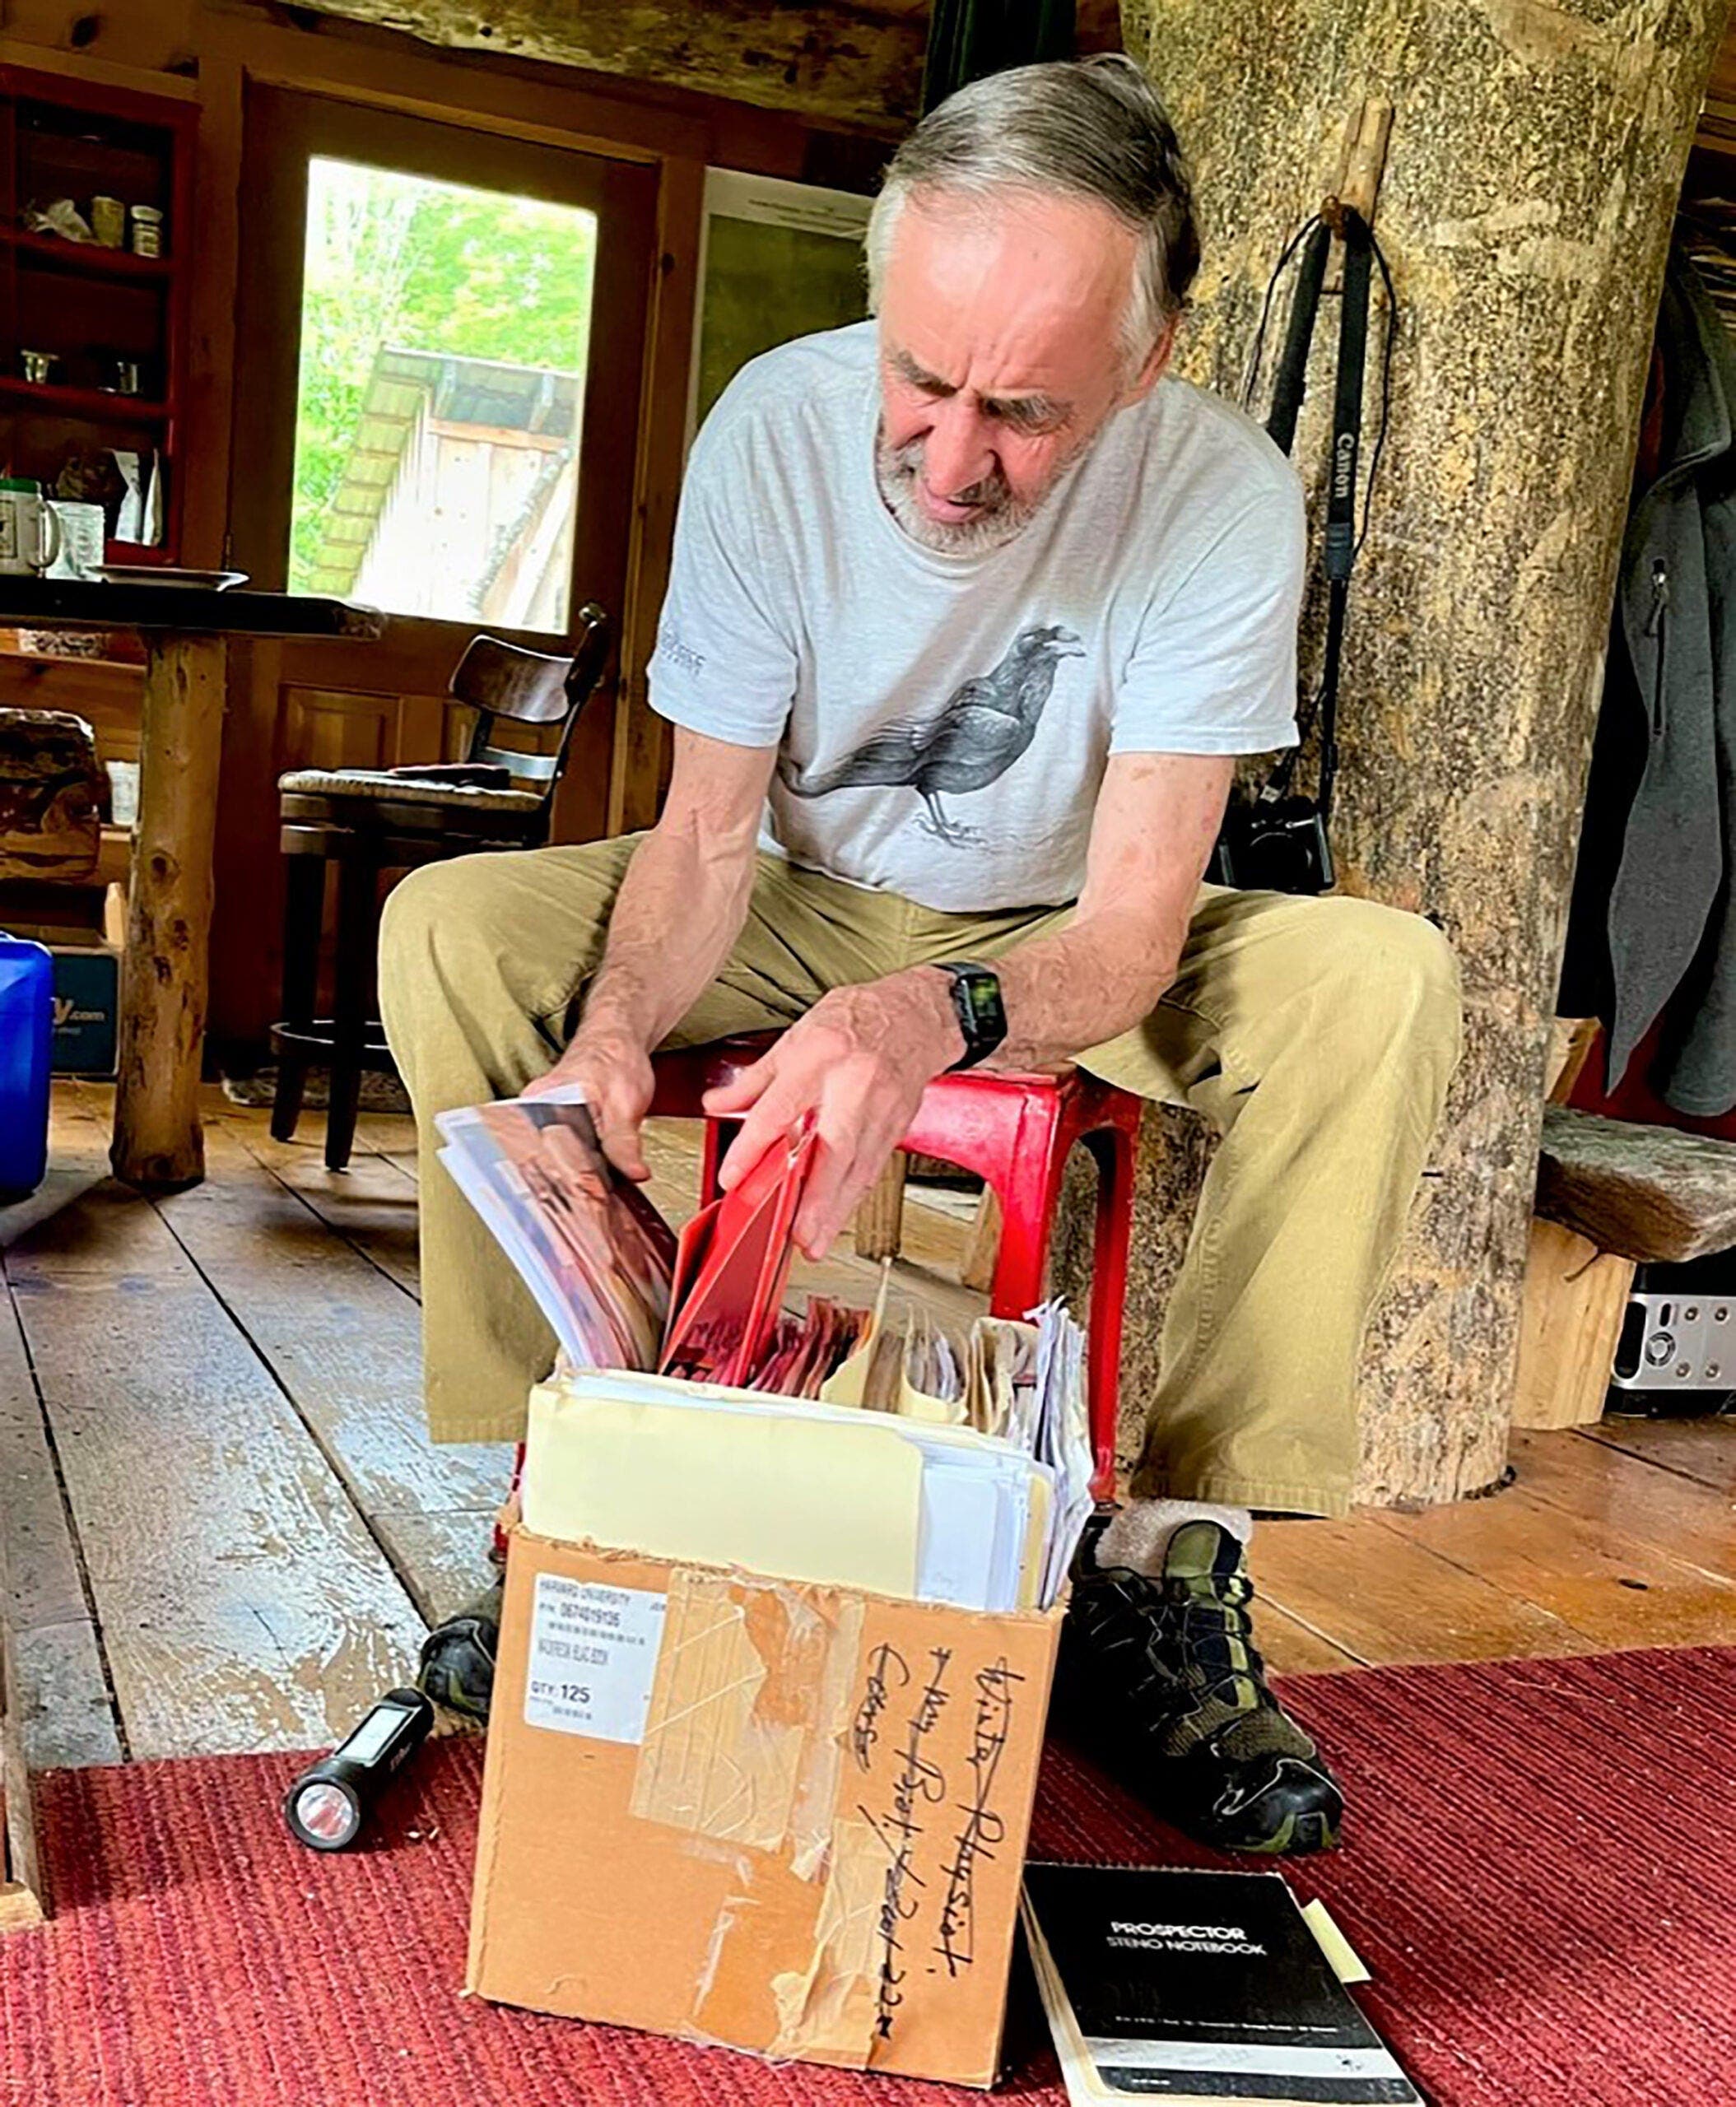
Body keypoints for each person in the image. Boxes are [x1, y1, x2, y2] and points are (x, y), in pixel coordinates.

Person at [381, 53, 1462, 1857]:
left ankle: (1165, 1560)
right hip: (794, 887)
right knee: (449, 932)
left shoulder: (1222, 498)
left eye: (1024, 413)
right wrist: (615, 1031)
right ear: (880, 299)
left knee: (1383, 981)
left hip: (1054, 933)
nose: (950, 460)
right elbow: (705, 834)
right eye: (919, 376)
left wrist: (935, 1010)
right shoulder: (769, 427)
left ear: (1150, 356)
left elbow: (1130, 924)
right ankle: (565, 1478)